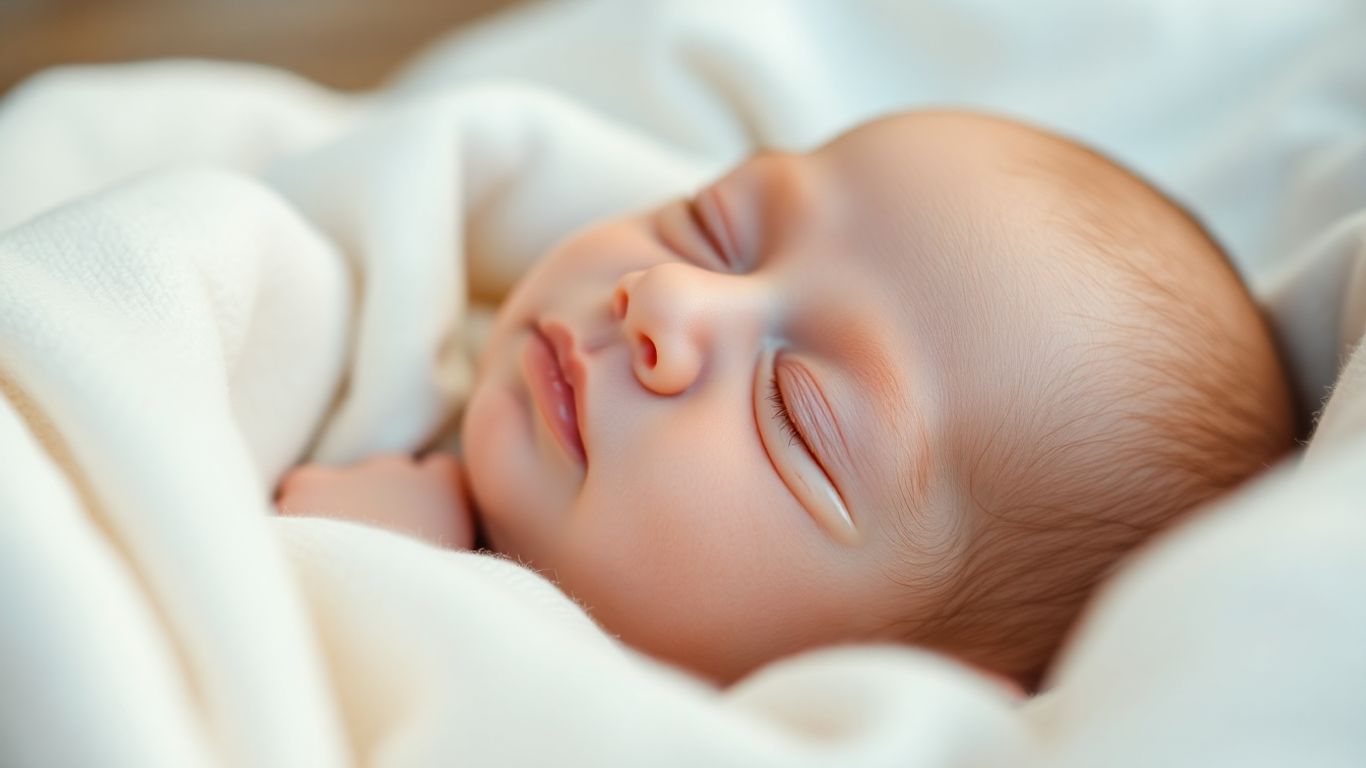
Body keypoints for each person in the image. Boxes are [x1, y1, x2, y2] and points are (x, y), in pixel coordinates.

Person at [276, 111, 1295, 690]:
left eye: (792, 413)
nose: (665, 298)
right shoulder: (379, 315)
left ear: (885, 672)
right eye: (710, 227)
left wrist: (368, 582)